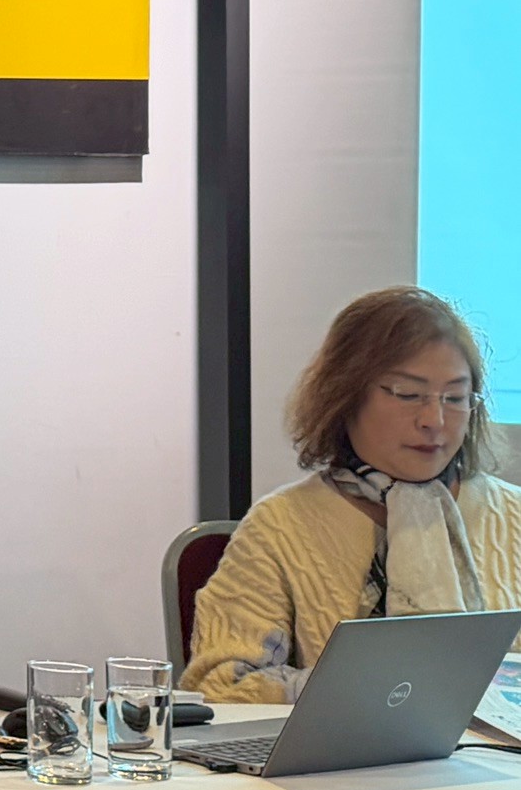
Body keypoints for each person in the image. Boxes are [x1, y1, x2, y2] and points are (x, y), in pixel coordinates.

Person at [186, 286, 521, 704]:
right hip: (342, 749)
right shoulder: (281, 525)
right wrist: (360, 692)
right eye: (408, 394)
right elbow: (219, 685)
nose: (435, 420)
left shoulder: (511, 517)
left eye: (455, 398)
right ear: (345, 395)